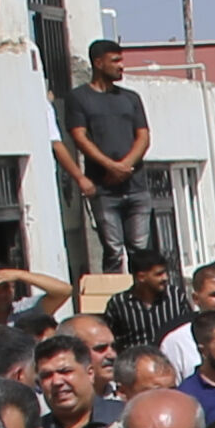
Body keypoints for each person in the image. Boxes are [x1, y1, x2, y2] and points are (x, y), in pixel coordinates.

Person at [59, 38, 157, 274]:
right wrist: (109, 167)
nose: (121, 66)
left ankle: (143, 301)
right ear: (98, 63)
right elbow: (79, 137)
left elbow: (143, 136)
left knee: (140, 250)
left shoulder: (130, 98)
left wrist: (124, 166)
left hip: (136, 186)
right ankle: (115, 301)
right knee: (113, 250)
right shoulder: (79, 98)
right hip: (104, 189)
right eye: (115, 61)